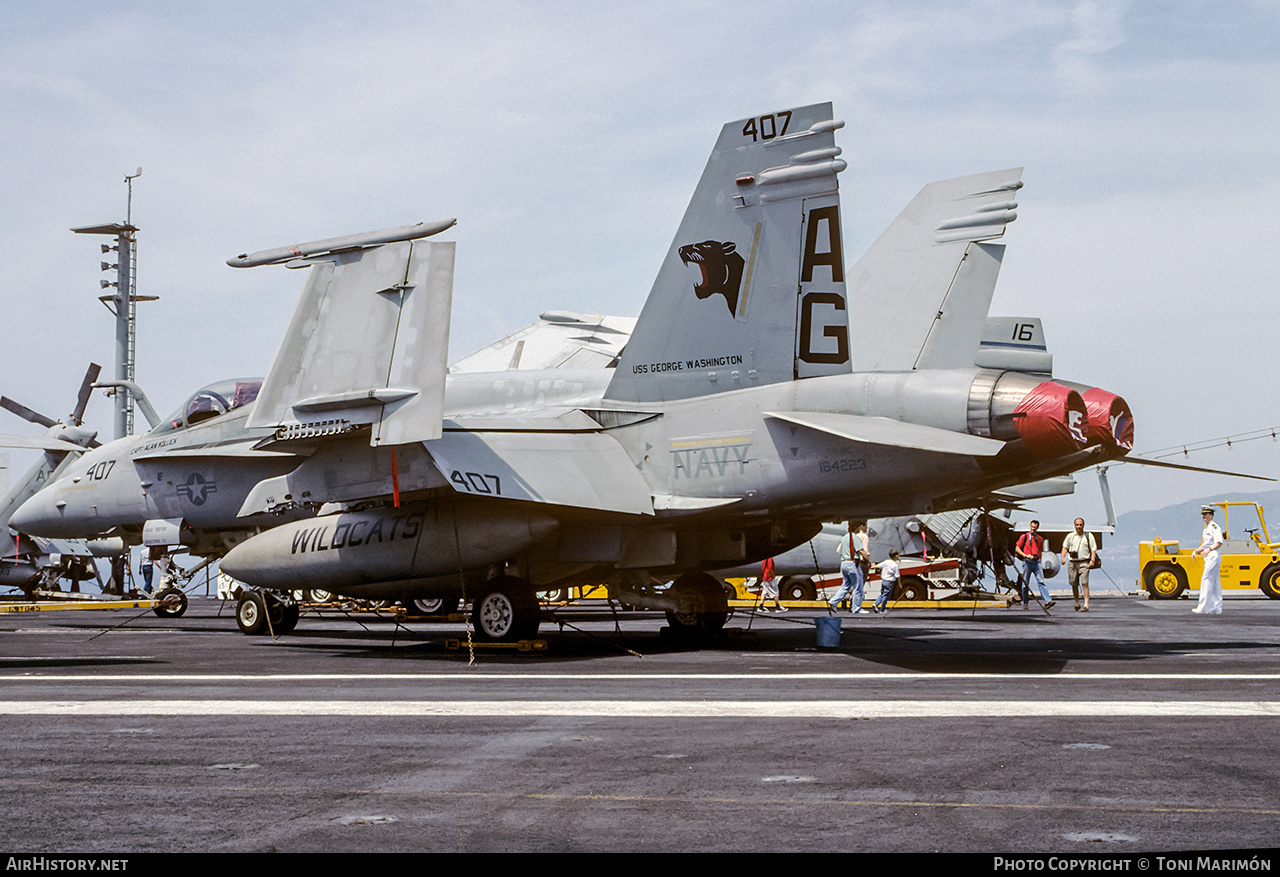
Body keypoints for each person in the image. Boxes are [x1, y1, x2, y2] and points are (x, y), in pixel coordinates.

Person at [828, 521, 870, 614]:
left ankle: (833, 601)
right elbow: (862, 551)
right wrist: (869, 561)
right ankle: (856, 608)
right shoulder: (855, 537)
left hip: (844, 563)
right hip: (853, 563)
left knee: (846, 585)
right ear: (857, 527)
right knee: (858, 586)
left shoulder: (844, 538)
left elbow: (839, 551)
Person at [1060, 518, 1097, 612]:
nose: (1078, 527)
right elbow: (1065, 547)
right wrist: (1062, 557)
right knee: (1074, 583)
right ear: (1074, 525)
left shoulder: (1088, 536)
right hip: (1072, 562)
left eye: (1080, 525)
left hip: (1084, 562)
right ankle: (1077, 603)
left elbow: (1093, 549)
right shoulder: (1070, 536)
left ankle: (1086, 604)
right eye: (1077, 525)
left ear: (1083, 525)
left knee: (1084, 583)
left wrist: (1092, 560)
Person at [1192, 505, 1224, 614]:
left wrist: (1208, 550)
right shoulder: (1207, 528)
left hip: (1213, 555)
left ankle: (1203, 607)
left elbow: (1219, 542)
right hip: (1209, 555)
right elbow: (1205, 544)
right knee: (1215, 583)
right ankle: (1216, 607)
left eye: (1205, 514)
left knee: (1206, 579)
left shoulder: (1215, 527)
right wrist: (1196, 551)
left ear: (1211, 515)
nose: (1203, 516)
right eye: (1202, 514)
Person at [1016, 520, 1054, 610]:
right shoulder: (1024, 536)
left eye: (1035, 527)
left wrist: (1039, 558)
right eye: (1032, 527)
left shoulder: (1040, 539)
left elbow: (1039, 549)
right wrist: (1025, 555)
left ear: (1037, 528)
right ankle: (1025, 602)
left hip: (1036, 562)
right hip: (1027, 561)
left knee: (1041, 581)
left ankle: (1047, 601)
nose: (1033, 529)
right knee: (1025, 583)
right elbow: (1017, 548)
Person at [872, 550, 900, 614]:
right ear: (895, 556)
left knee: (882, 594)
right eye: (898, 555)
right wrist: (899, 584)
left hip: (884, 581)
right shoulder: (895, 565)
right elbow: (897, 576)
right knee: (886, 596)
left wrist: (871, 565)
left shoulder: (886, 562)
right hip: (889, 582)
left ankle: (876, 604)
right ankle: (882, 609)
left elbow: (877, 566)